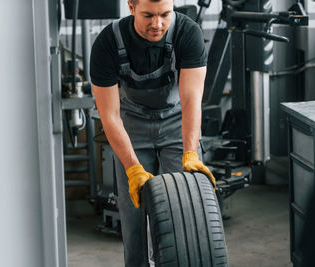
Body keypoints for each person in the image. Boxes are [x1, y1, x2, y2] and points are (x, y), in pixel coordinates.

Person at [90, 0, 216, 266]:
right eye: (148, 15)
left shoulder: (187, 33)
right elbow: (110, 115)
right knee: (133, 215)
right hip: (131, 127)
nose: (157, 24)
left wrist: (191, 153)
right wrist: (133, 168)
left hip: (177, 124)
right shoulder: (108, 42)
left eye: (164, 15)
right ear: (132, 6)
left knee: (187, 207)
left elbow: (192, 99)